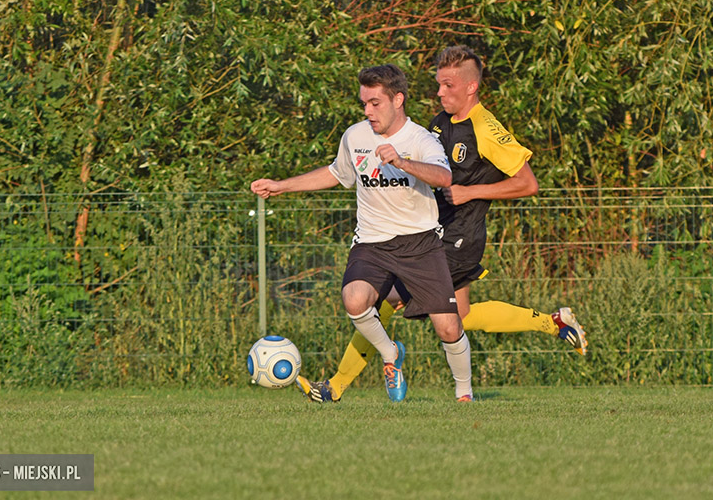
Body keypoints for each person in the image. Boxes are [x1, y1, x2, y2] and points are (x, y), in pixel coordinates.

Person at [295, 45, 588, 403]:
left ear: (470, 88)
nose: (439, 92)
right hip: (432, 228)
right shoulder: (439, 122)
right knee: (456, 317)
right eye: (438, 84)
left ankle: (337, 386)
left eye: (447, 85)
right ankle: (552, 322)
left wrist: (470, 192)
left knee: (386, 301)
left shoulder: (486, 128)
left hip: (458, 235)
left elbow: (528, 184)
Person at [251, 64, 474, 402]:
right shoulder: (355, 137)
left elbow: (443, 178)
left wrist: (401, 162)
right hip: (372, 243)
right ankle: (390, 354)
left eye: (375, 103)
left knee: (448, 327)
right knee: (354, 299)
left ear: (398, 100)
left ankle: (464, 394)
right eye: (364, 104)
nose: (368, 112)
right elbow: (335, 173)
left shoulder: (419, 139)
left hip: (421, 244)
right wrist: (282, 186)